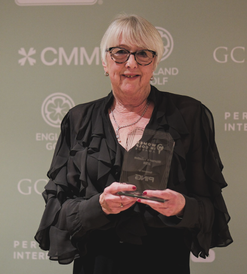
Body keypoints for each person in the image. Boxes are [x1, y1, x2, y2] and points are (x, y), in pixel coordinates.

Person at [35, 14, 233, 274]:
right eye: (120, 52)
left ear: (154, 63)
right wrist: (99, 206)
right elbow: (56, 212)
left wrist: (183, 206)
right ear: (105, 62)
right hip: (97, 263)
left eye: (143, 54)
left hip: (165, 263)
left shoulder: (188, 115)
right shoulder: (78, 119)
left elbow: (212, 212)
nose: (131, 63)